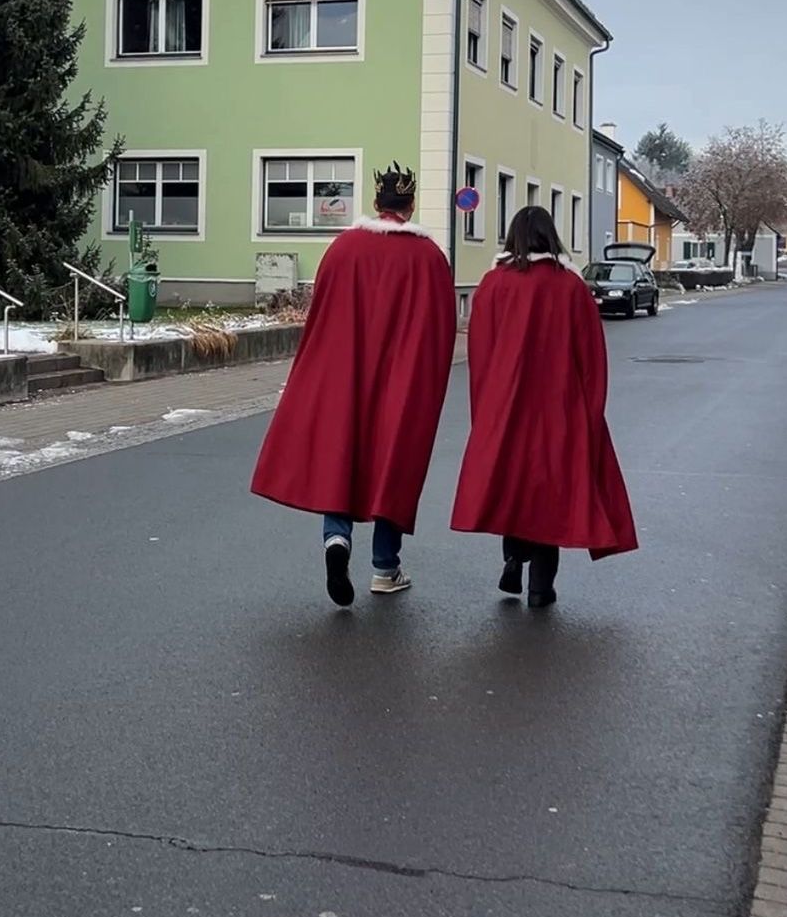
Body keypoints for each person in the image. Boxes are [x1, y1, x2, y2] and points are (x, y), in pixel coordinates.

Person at [251, 163, 457, 606]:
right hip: (402, 382)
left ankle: (336, 539)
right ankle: (385, 567)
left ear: (376, 203)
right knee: (393, 463)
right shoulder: (430, 258)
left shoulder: (343, 248)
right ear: (411, 205)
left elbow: (321, 316)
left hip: (347, 372)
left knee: (341, 451)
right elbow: (442, 332)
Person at [450, 204, 638, 608]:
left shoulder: (493, 284)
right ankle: (540, 586)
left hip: (505, 403)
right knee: (549, 493)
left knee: (513, 484)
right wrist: (591, 410)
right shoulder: (570, 287)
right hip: (560, 407)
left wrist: (485, 410)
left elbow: (479, 353)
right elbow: (592, 356)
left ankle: (513, 558)